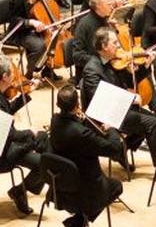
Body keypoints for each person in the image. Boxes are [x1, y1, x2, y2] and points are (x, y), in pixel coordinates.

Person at [81, 27, 156, 183]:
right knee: (152, 123)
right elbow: (99, 98)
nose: (119, 46)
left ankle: (122, 150)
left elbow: (129, 82)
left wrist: (145, 66)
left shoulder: (114, 61)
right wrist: (129, 98)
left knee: (153, 118)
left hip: (119, 108)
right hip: (104, 114)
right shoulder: (92, 69)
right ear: (104, 47)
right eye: (114, 42)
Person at [0, 56, 47, 215]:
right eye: (12, 73)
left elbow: (6, 113)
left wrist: (26, 95)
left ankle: (32, 181)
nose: (15, 76)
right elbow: (10, 134)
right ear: (5, 77)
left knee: (43, 140)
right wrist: (30, 132)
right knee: (44, 158)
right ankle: (21, 190)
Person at [49, 85, 123, 227]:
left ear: (58, 105)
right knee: (116, 186)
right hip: (85, 188)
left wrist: (80, 122)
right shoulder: (81, 134)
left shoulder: (55, 121)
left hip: (61, 185)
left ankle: (79, 220)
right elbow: (114, 148)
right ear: (77, 105)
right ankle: (80, 219)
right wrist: (111, 129)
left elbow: (74, 135)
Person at [6, 0, 61, 80]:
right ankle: (29, 73)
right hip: (22, 31)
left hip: (41, 29)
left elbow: (54, 5)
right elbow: (14, 20)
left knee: (55, 40)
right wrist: (32, 22)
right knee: (40, 46)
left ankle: (47, 70)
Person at [72, 0, 116, 84]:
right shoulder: (84, 24)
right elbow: (77, 56)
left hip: (105, 65)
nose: (112, 7)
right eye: (109, 4)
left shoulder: (105, 19)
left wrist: (114, 30)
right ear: (98, 6)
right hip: (91, 73)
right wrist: (101, 60)